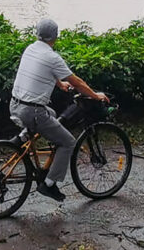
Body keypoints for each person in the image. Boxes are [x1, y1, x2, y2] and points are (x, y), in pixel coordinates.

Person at [10, 18, 109, 202]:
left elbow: (44, 70)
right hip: (33, 112)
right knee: (68, 142)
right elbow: (77, 82)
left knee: (53, 115)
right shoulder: (52, 57)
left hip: (16, 105)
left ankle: (21, 138)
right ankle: (49, 184)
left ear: (37, 33)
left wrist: (59, 83)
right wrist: (96, 96)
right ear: (55, 36)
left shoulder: (30, 49)